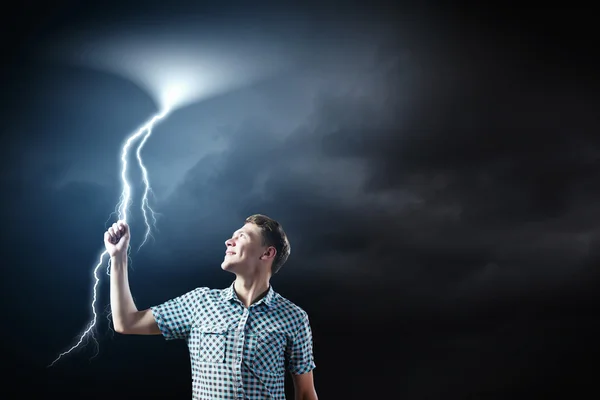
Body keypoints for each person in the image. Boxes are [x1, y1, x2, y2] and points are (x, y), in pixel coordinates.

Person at [105, 214, 318, 400]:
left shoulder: (294, 317)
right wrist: (118, 257)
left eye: (242, 236)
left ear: (267, 254)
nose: (229, 241)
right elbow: (127, 322)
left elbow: (306, 393)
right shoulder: (200, 303)